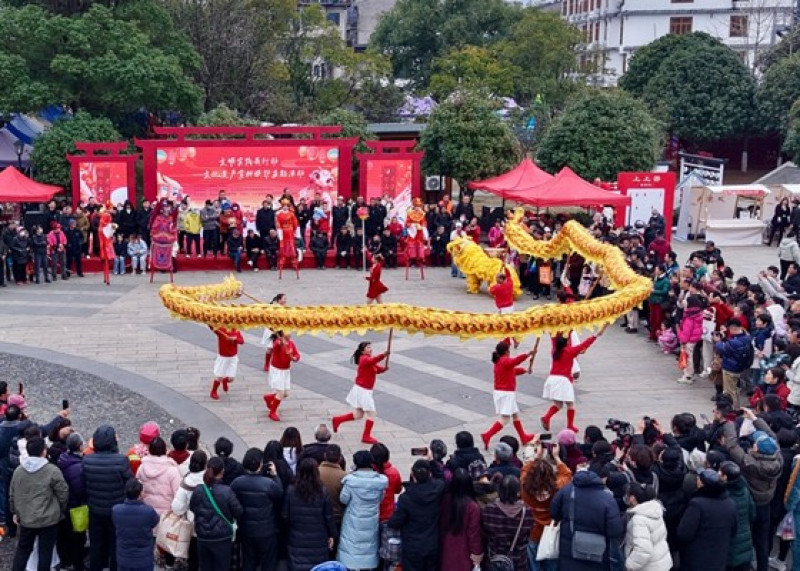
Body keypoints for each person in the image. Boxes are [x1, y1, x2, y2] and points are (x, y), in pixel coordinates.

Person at [721, 408, 782, 571]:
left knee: (745, 538)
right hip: (766, 504)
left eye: (755, 444)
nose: (753, 444)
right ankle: (763, 567)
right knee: (762, 541)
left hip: (751, 505)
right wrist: (755, 419)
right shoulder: (778, 458)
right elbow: (773, 437)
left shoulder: (750, 463)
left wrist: (729, 422)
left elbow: (732, 445)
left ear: (757, 449)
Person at [9, 436, 69, 571]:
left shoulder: (19, 471)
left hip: (26, 518)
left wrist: (15, 512)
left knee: (23, 550)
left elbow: (12, 493)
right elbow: (63, 492)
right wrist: (60, 509)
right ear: (44, 451)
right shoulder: (52, 470)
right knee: (45, 553)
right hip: (48, 518)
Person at [550, 466, 624, 571]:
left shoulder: (566, 491)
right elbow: (615, 530)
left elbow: (554, 513)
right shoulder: (607, 498)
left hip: (569, 546)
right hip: (596, 551)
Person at [83, 425, 133, 571]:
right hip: (115, 509)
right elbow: (130, 482)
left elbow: (83, 484)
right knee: (115, 545)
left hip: (95, 509)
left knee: (96, 545)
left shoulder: (87, 460)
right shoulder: (121, 460)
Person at [541, 325, 607, 433]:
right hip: (563, 380)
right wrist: (595, 335)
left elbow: (553, 337)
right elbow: (584, 345)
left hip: (552, 379)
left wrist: (552, 327)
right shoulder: (570, 351)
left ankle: (547, 417)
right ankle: (570, 425)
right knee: (570, 404)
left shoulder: (554, 350)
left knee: (558, 404)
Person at [230, 448, 284, 571]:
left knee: (248, 560)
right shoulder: (268, 484)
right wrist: (275, 476)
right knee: (268, 562)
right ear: (260, 464)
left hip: (246, 529)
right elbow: (279, 494)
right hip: (266, 530)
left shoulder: (237, 483)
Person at [387, 459, 446, 571]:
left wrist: (390, 522)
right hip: (432, 543)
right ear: (430, 474)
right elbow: (442, 479)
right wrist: (433, 461)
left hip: (413, 546)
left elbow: (396, 521)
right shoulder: (438, 490)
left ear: (413, 476)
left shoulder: (406, 498)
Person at [676, 468, 737, 571]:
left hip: (696, 559)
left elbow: (684, 534)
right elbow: (734, 531)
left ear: (702, 484)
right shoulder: (730, 504)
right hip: (719, 558)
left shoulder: (696, 505)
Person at [189, 456, 243, 571]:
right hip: (222, 537)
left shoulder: (198, 490)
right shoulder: (226, 491)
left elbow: (192, 508)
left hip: (202, 536)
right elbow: (238, 511)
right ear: (222, 472)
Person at [481, 341, 537, 450]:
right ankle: (487, 435)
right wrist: (527, 354)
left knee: (515, 415)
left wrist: (525, 370)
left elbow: (513, 371)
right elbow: (515, 362)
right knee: (505, 419)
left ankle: (523, 437)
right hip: (506, 393)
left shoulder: (500, 362)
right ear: (507, 351)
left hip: (503, 392)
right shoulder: (504, 360)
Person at [283, 457, 337, 570]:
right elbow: (328, 517)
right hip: (318, 538)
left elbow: (285, 515)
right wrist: (332, 534)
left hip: (296, 536)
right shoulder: (323, 491)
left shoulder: (291, 490)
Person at [337, 450, 388, 570]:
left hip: (353, 519)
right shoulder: (380, 482)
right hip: (371, 519)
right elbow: (381, 499)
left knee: (352, 543)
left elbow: (343, 499)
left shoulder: (351, 482)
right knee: (369, 543)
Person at [332, 341, 390, 444]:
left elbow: (376, 368)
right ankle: (366, 436)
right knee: (371, 413)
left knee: (358, 414)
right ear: (363, 351)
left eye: (370, 347)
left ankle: (338, 420)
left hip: (364, 390)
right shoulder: (364, 359)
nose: (370, 349)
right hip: (363, 390)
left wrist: (384, 369)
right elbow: (373, 361)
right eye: (368, 347)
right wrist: (383, 355)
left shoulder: (368, 360)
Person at [483, 475, 535, 571]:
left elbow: (486, 532)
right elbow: (528, 534)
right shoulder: (526, 511)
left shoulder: (490, 509)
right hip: (519, 562)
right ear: (518, 492)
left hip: (496, 562)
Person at [439, 468, 483, 570]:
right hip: (464, 552)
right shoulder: (472, 506)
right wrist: (476, 554)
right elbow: (474, 534)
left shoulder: (445, 499)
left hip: (445, 548)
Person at [111, 479, 160, 571]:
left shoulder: (116, 510)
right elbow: (155, 521)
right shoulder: (148, 511)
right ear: (140, 494)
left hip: (123, 558)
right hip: (144, 559)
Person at [622, 482, 672, 571]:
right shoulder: (654, 510)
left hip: (648, 567)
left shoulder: (639, 519)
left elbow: (643, 550)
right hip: (660, 563)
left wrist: (629, 565)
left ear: (633, 498)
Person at [171, 450, 207, 571]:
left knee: (193, 556)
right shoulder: (208, 479)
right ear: (205, 464)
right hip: (209, 523)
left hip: (192, 524)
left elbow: (177, 508)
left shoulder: (186, 482)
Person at [57, 433, 86, 571]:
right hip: (77, 507)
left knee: (64, 535)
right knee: (79, 537)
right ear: (79, 447)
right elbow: (80, 489)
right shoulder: (78, 467)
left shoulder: (62, 458)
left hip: (63, 505)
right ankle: (78, 564)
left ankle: (65, 561)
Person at [719, 461, 755, 571]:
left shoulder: (724, 495)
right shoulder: (745, 490)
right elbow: (752, 514)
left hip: (730, 543)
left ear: (725, 477)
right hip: (746, 538)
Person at [136, 437, 180, 517]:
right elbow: (178, 494)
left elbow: (137, 490)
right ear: (165, 450)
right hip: (166, 514)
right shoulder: (172, 470)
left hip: (147, 511)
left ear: (150, 450)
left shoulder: (142, 468)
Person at [714, 317, 753, 408]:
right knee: (735, 390)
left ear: (732, 328)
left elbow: (721, 349)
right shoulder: (747, 337)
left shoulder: (735, 342)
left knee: (730, 392)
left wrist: (718, 341)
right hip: (741, 367)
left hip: (731, 369)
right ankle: (735, 408)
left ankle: (734, 409)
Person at [263, 332, 300, 422]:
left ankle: (269, 398)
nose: (290, 333)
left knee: (286, 393)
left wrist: (294, 358)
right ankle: (272, 412)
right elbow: (275, 347)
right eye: (287, 331)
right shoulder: (277, 342)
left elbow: (297, 355)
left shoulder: (291, 343)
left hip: (286, 371)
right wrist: (280, 342)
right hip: (277, 370)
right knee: (280, 393)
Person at [209, 326, 244, 401]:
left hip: (233, 357)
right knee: (219, 377)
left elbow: (242, 341)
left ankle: (225, 381)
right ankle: (213, 391)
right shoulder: (221, 330)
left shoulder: (236, 330)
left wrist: (235, 339)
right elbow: (213, 328)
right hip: (223, 357)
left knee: (231, 379)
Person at [318, 444, 346, 533]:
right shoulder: (344, 476)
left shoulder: (315, 472)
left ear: (324, 456)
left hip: (318, 514)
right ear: (340, 458)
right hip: (337, 516)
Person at [371, 442, 402, 524]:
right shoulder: (394, 472)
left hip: (371, 514)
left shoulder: (369, 474)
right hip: (388, 514)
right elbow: (398, 490)